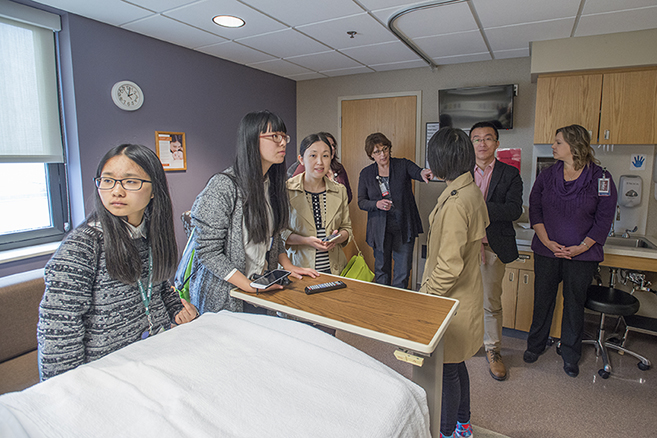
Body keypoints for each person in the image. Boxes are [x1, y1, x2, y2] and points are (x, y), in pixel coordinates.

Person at [37, 144, 198, 380]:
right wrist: (66, 390)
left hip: (156, 356)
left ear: (154, 190)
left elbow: (159, 285)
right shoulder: (82, 246)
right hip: (108, 374)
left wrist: (176, 308)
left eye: (131, 182)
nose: (116, 191)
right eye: (108, 181)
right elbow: (58, 333)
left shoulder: (151, 233)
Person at [187, 110, 319, 314]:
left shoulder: (273, 184)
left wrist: (288, 265)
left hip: (259, 287)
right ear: (251, 140)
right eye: (274, 136)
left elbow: (274, 237)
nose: (283, 143)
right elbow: (207, 251)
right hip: (228, 295)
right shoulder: (223, 186)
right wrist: (248, 286)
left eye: (284, 137)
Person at [523, 124, 617, 378]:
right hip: (547, 251)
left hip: (582, 255)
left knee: (574, 304)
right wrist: (547, 241)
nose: (553, 146)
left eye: (558, 142)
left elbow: (604, 218)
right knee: (542, 301)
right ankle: (535, 345)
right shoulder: (547, 175)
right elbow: (535, 209)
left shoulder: (601, 178)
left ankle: (571, 355)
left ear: (575, 146)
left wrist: (582, 247)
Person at [420, 127, 489, 438]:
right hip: (466, 297)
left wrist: (424, 297)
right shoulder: (470, 191)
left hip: (451, 301)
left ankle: (446, 431)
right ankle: (463, 424)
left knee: (447, 370)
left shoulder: (457, 202)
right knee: (457, 365)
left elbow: (447, 268)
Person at [470, 121, 523, 381]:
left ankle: (493, 350)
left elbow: (514, 210)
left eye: (488, 138)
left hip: (493, 247)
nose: (482, 143)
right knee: (463, 299)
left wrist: (479, 207)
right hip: (464, 248)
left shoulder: (510, 174)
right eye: (477, 139)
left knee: (490, 302)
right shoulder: (461, 173)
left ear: (497, 144)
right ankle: (467, 343)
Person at [357, 132, 432, 289]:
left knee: (402, 271)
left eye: (385, 149)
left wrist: (424, 172)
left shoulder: (402, 165)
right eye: (377, 151)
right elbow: (361, 202)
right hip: (379, 229)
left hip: (403, 226)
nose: (383, 154)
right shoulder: (366, 173)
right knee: (381, 270)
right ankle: (383, 305)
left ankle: (399, 306)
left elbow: (417, 172)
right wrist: (376, 204)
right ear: (371, 155)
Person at [284, 133, 352, 274]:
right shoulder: (286, 190)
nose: (320, 162)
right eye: (313, 156)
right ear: (301, 159)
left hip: (334, 270)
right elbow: (280, 233)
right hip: (299, 269)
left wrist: (337, 238)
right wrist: (306, 240)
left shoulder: (339, 190)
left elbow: (347, 229)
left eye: (325, 156)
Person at [291, 132, 353, 203]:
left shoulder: (338, 168)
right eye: (313, 155)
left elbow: (348, 195)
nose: (332, 148)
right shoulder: (303, 168)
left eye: (333, 145)